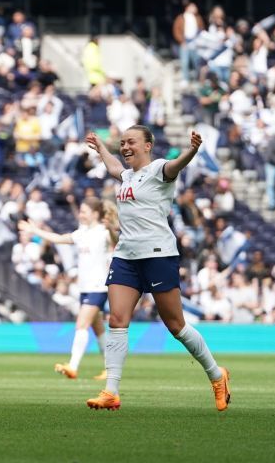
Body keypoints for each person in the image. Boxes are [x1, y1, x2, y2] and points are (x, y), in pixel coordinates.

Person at [84, 126, 230, 411]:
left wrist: (192, 150)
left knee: (176, 325)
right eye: (123, 143)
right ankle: (111, 391)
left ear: (148, 146)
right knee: (116, 318)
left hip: (158, 255)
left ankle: (216, 375)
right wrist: (101, 146)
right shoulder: (127, 176)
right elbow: (114, 166)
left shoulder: (160, 169)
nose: (126, 147)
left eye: (132, 142)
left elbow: (177, 165)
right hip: (126, 256)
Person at [19, 198, 119, 380]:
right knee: (98, 330)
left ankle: (73, 366)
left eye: (84, 211)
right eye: (80, 211)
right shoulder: (82, 233)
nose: (80, 214)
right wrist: (35, 231)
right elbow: (58, 238)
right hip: (85, 288)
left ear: (95, 214)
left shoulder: (103, 232)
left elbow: (117, 241)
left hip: (98, 287)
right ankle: (111, 369)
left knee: (81, 324)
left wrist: (112, 228)